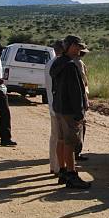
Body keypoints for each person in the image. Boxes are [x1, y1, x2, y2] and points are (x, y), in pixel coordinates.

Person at [49, 35, 91, 189]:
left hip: (59, 108)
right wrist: (79, 113)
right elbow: (75, 93)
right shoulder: (70, 66)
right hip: (69, 111)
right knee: (70, 143)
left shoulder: (57, 63)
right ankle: (72, 175)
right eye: (78, 47)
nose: (80, 50)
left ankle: (62, 171)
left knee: (61, 140)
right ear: (71, 46)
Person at [45, 40, 64, 175]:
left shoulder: (49, 63)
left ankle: (53, 165)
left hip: (52, 105)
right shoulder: (60, 64)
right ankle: (59, 167)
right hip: (60, 107)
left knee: (54, 137)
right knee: (61, 139)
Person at [74, 44, 90, 161]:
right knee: (80, 126)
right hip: (80, 97)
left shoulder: (70, 61)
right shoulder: (78, 63)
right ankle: (77, 152)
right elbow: (84, 82)